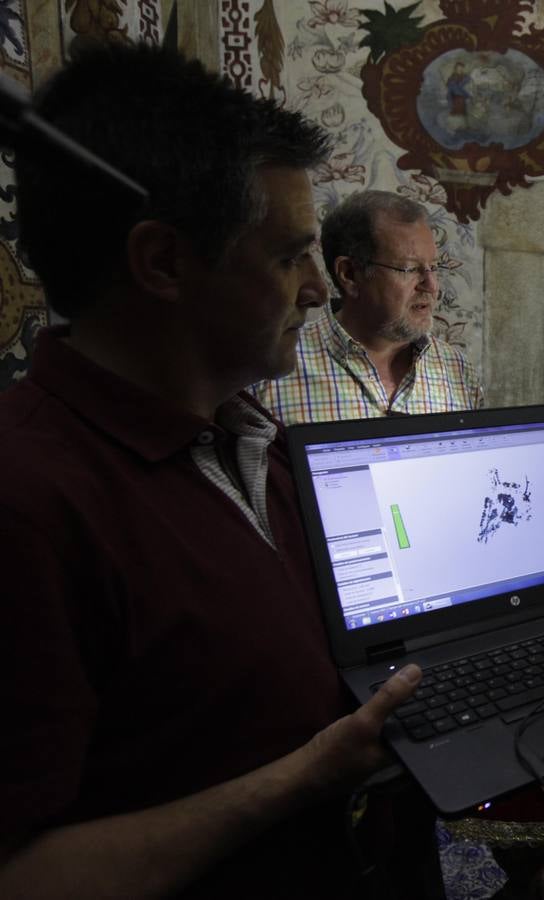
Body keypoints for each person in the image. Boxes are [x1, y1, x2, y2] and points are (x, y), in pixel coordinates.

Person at [0, 43, 426, 898]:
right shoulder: (28, 499)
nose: (318, 289)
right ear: (162, 263)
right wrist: (304, 779)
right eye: (287, 256)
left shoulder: (252, 442)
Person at [252, 189, 481, 424]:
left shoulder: (458, 370)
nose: (431, 286)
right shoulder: (270, 373)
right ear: (350, 274)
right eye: (410, 269)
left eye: (433, 267)